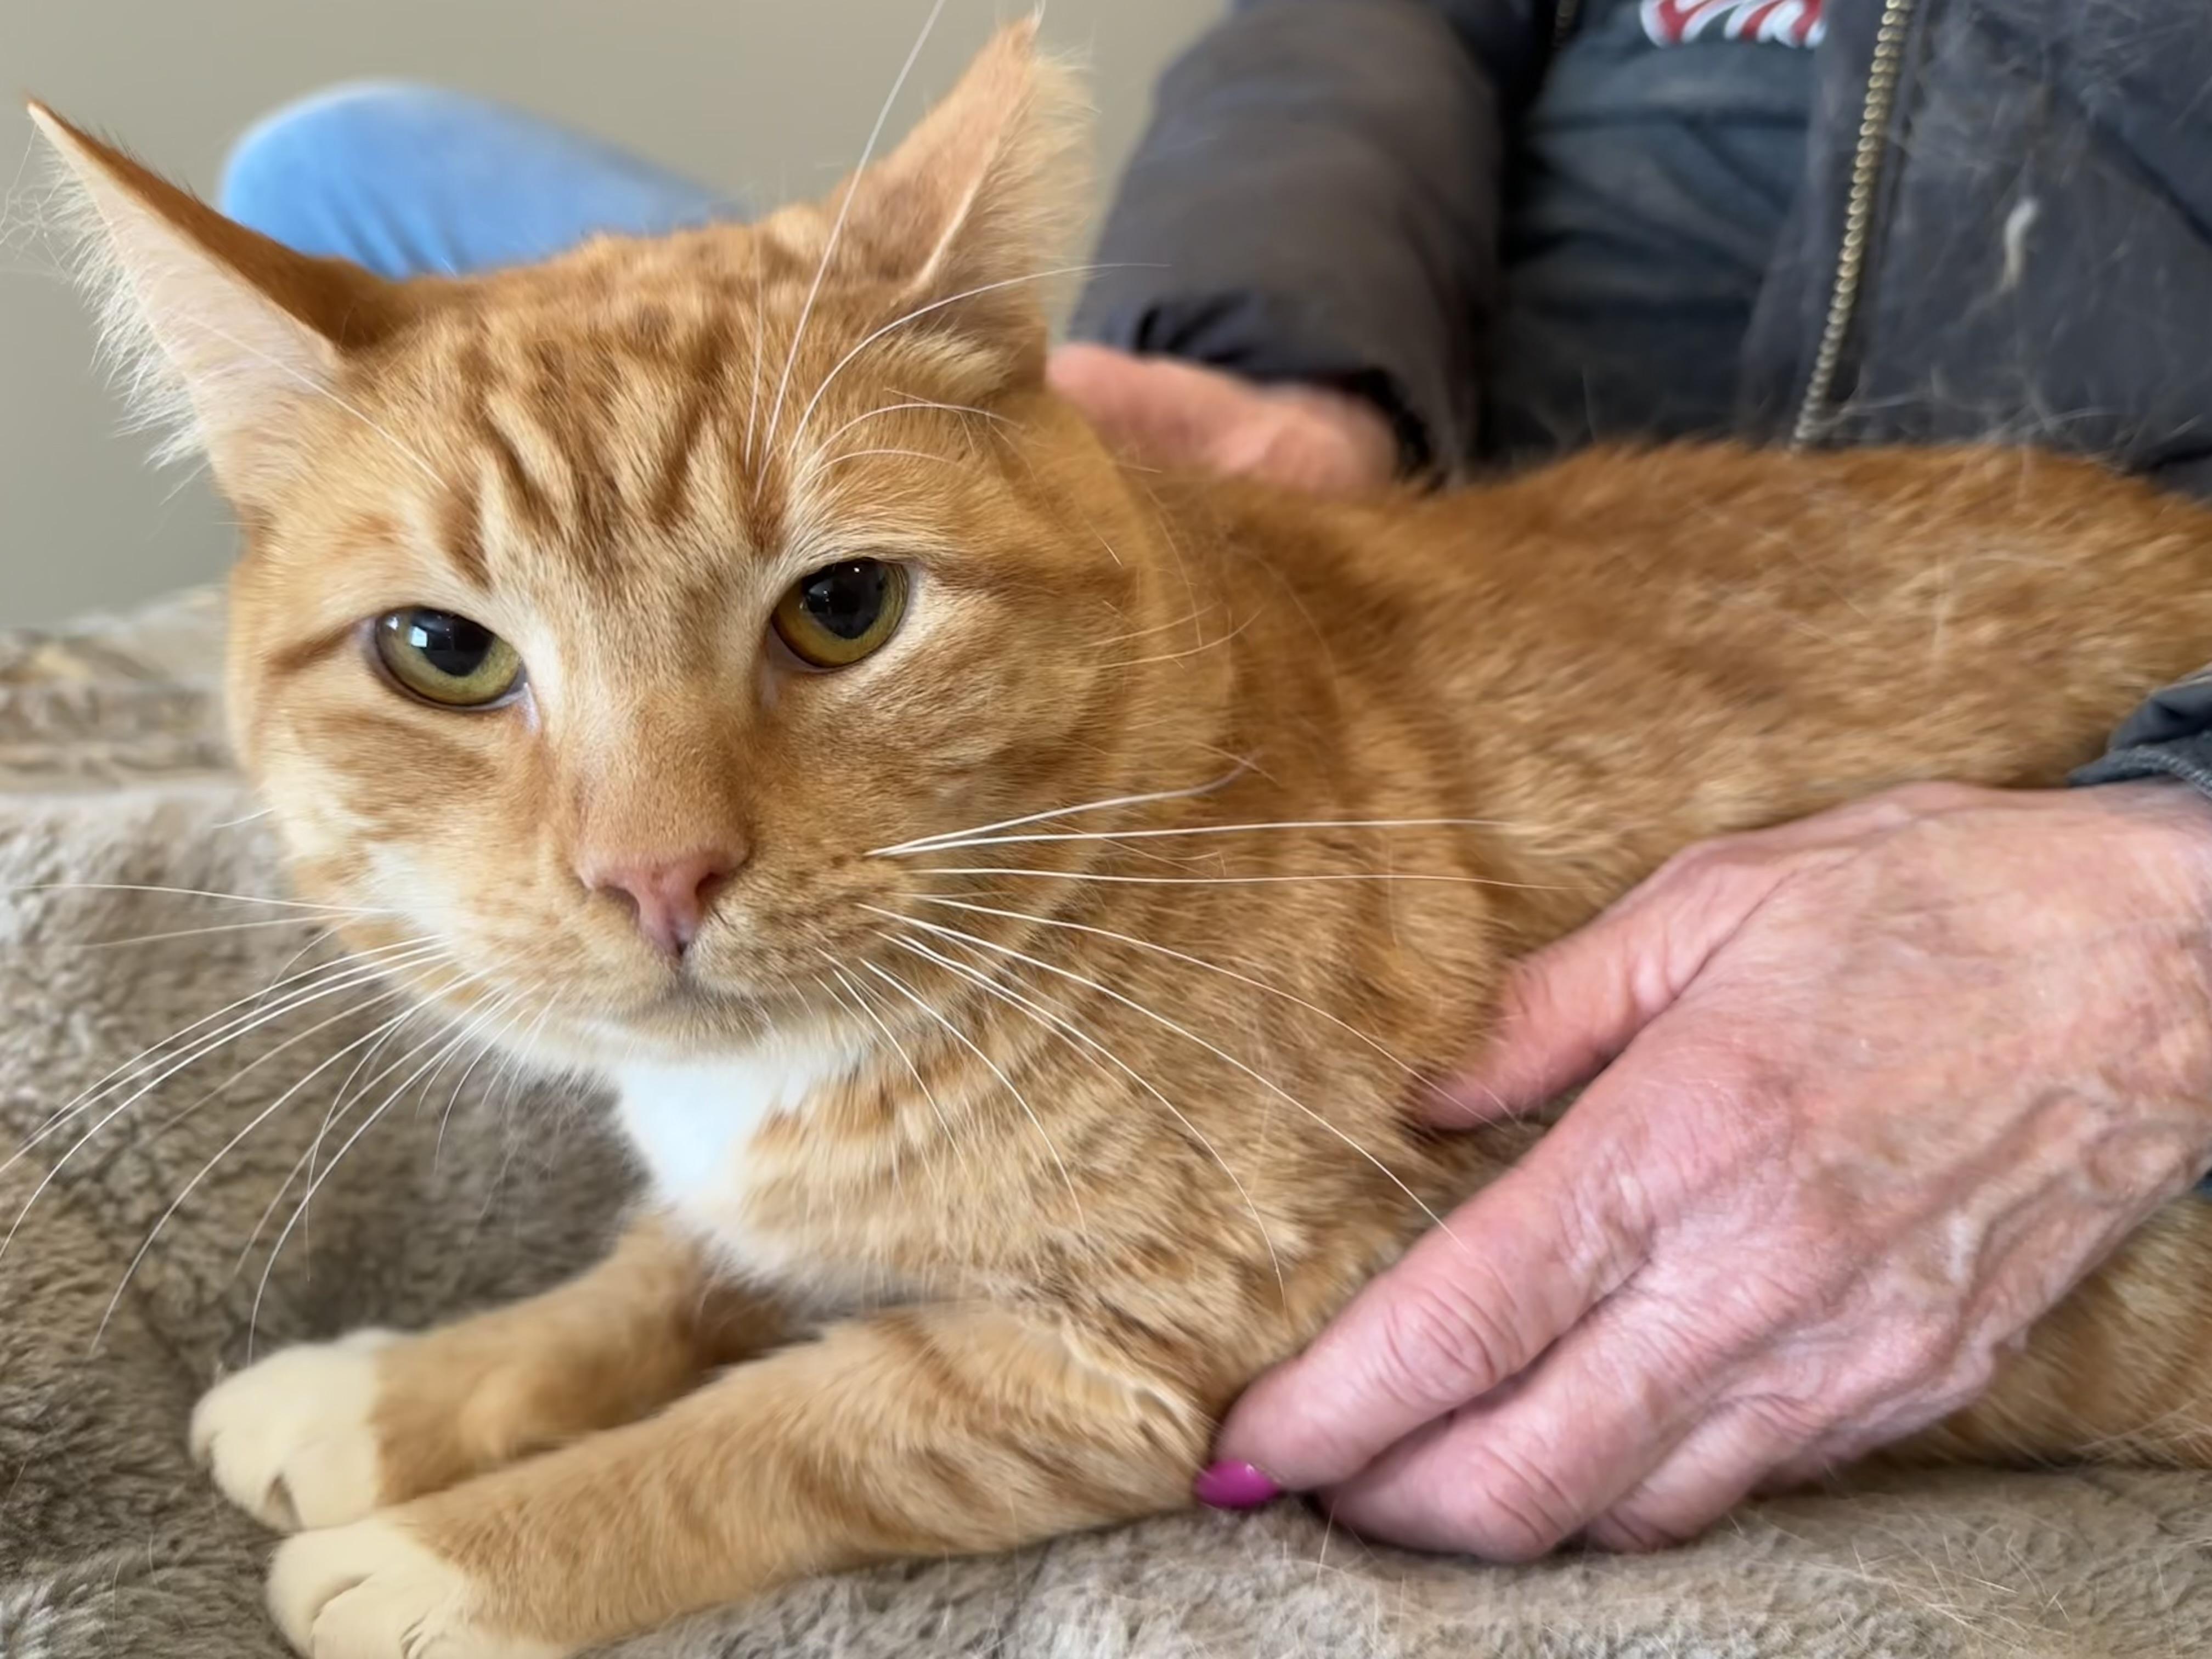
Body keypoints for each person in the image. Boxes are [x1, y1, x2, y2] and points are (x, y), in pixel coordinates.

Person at [212, 0, 2212, 1562]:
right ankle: (757, 554)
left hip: (1809, 553)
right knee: (343, 162)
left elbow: (1166, 1315)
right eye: (450, 662)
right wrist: (1279, 354)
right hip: (1383, 415)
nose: (652, 860)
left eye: (835, 621)